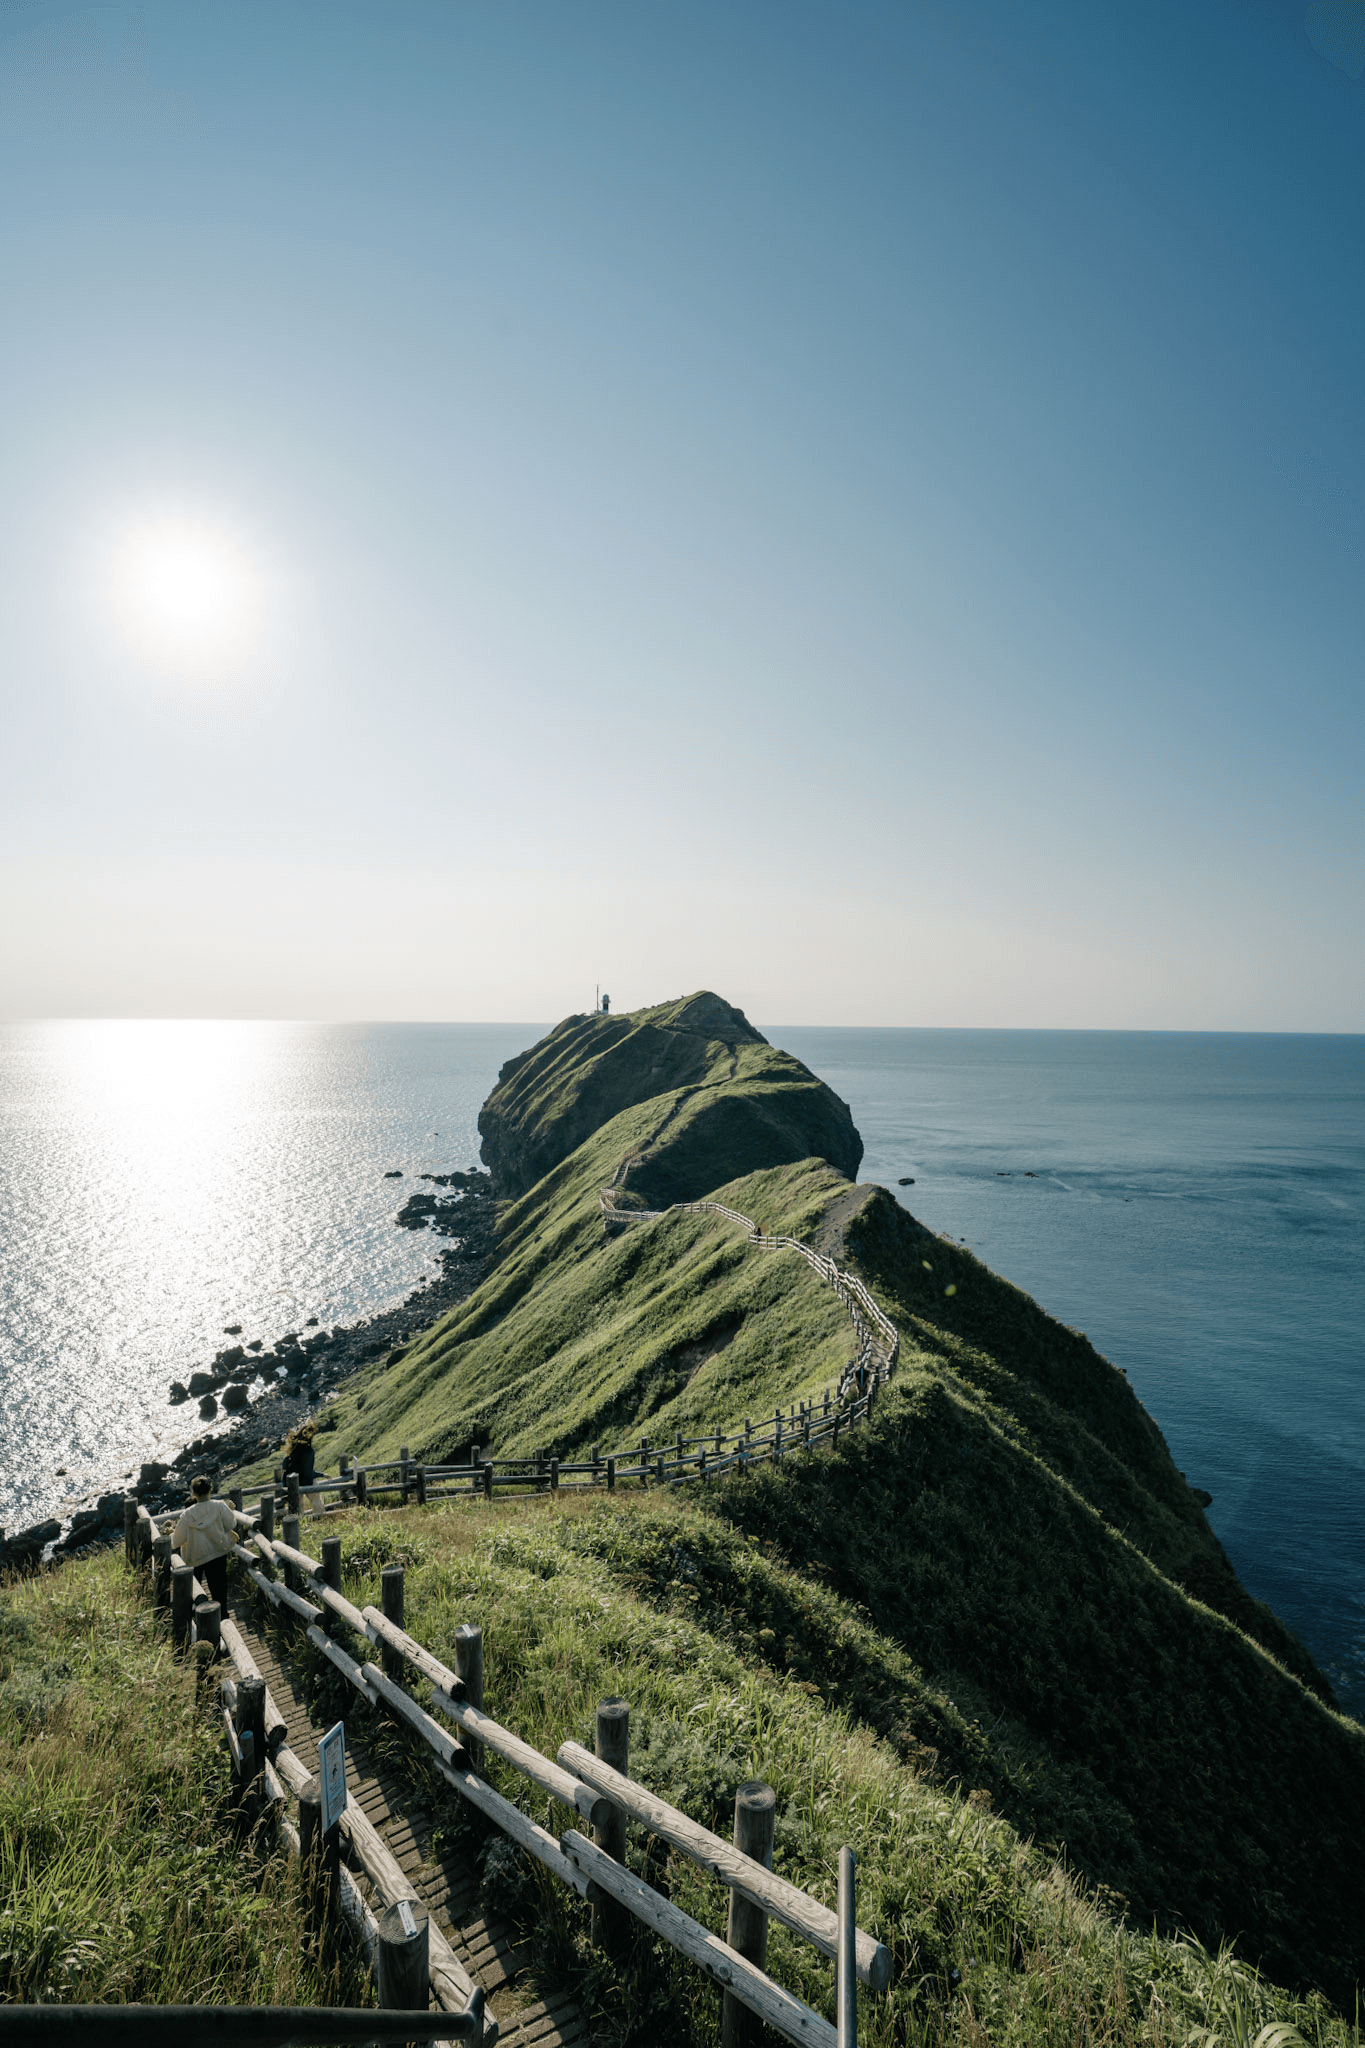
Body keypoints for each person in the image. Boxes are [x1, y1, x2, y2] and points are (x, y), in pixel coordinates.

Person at [173, 1474, 237, 1614]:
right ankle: (224, 1620)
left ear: (193, 1493)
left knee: (195, 1593)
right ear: (211, 1489)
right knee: (219, 1593)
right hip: (218, 1553)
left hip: (195, 1558)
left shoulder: (187, 1515)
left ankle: (198, 1621)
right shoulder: (219, 1506)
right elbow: (231, 1524)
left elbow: (176, 1541)